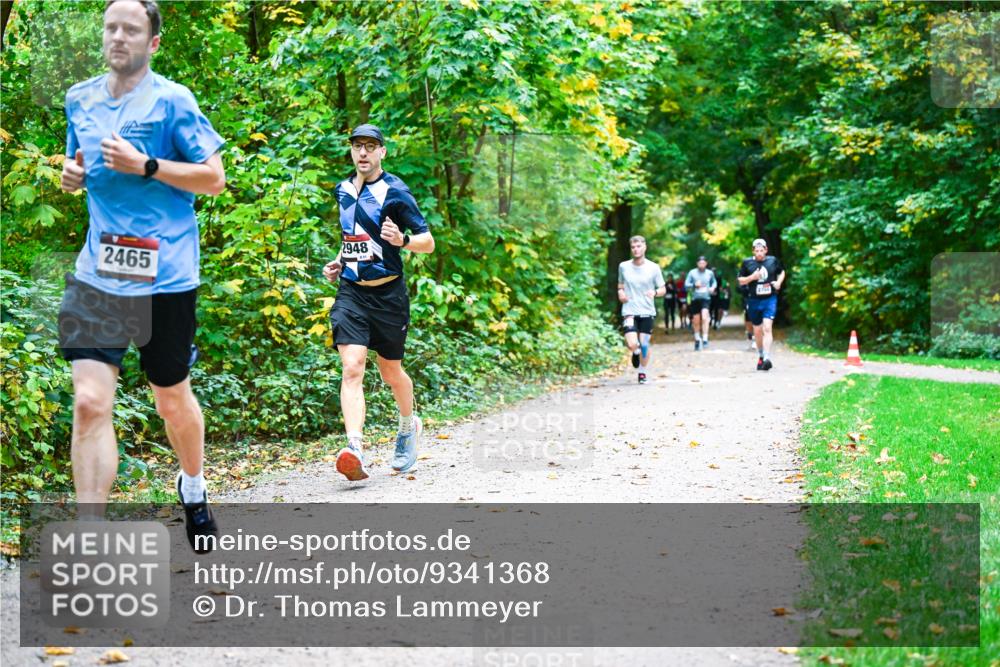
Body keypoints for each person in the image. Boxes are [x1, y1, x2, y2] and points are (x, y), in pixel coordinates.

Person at [57, 0, 226, 551]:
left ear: (152, 43)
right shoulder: (78, 100)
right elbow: (79, 167)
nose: (118, 37)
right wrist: (72, 176)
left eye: (132, 29)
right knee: (89, 401)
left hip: (166, 275)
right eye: (111, 27)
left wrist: (147, 165)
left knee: (170, 398)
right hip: (99, 273)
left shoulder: (174, 101)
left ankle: (193, 486)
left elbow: (212, 178)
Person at [323, 124, 435, 481]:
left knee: (390, 372)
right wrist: (341, 260)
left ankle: (407, 425)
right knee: (352, 366)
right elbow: (353, 235)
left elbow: (428, 242)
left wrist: (402, 240)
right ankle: (354, 447)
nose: (363, 153)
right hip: (352, 291)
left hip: (388, 295)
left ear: (382, 152)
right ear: (351, 151)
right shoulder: (342, 190)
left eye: (371, 146)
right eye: (357, 146)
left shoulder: (395, 191)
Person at [618, 236, 666, 384]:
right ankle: (636, 352)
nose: (636, 249)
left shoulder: (654, 267)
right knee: (633, 343)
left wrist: (655, 293)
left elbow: (663, 289)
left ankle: (642, 372)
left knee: (644, 344)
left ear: (644, 247)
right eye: (633, 247)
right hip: (629, 310)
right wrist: (621, 293)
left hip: (647, 311)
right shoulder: (623, 266)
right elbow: (620, 285)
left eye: (639, 246)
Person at [738, 238, 786, 371]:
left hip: (769, 299)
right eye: (757, 250)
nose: (759, 253)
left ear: (766, 250)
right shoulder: (747, 263)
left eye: (761, 250)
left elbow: (781, 272)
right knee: (757, 331)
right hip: (753, 300)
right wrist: (751, 278)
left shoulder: (773, 261)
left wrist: (778, 282)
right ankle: (760, 355)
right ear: (753, 251)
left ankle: (766, 357)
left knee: (767, 328)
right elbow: (740, 280)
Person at [684, 256, 717, 350]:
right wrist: (694, 285)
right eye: (700, 263)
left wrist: (712, 288)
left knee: (705, 317)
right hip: (695, 299)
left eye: (703, 263)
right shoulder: (692, 273)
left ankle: (705, 339)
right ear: (697, 264)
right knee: (696, 320)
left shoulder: (710, 273)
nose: (701, 265)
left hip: (706, 298)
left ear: (706, 263)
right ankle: (697, 338)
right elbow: (686, 285)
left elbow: (714, 282)